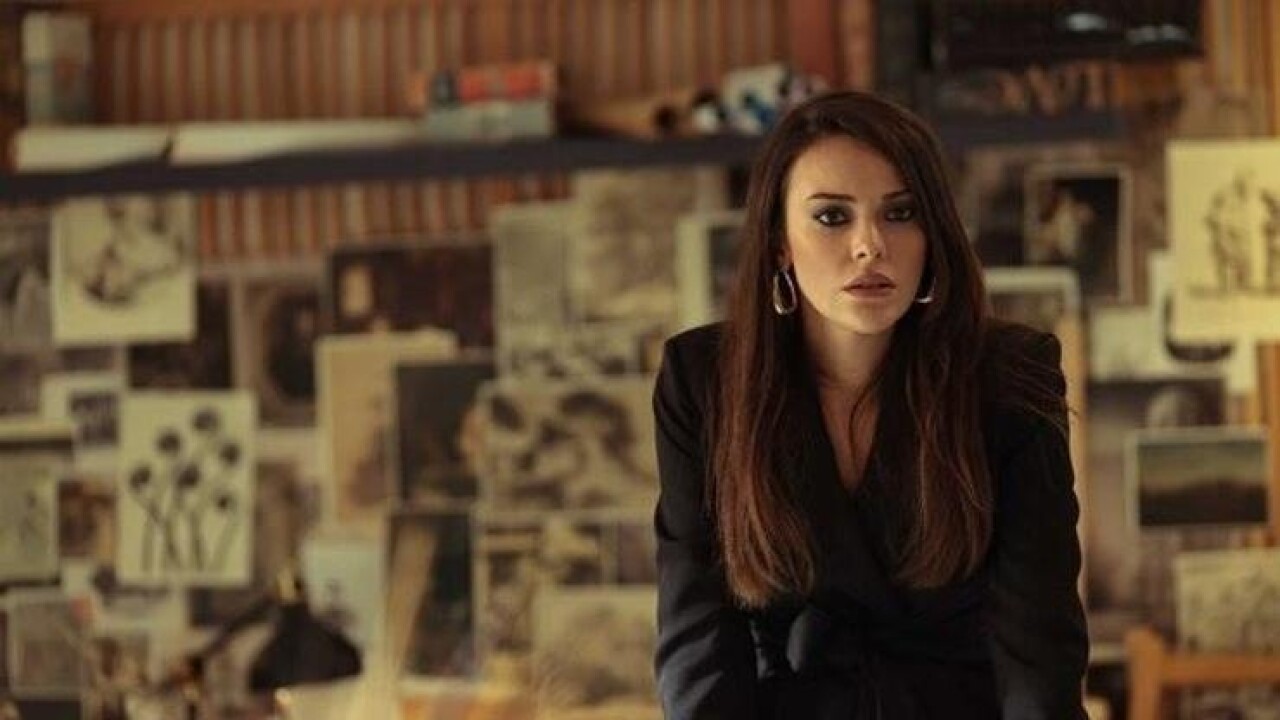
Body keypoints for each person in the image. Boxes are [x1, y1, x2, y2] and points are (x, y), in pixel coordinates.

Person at [652, 90, 1088, 719]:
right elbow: (697, 644)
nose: (870, 245)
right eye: (832, 217)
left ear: (932, 233)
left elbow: (1039, 647)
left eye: (900, 213)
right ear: (779, 243)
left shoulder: (1011, 375)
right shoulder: (702, 381)